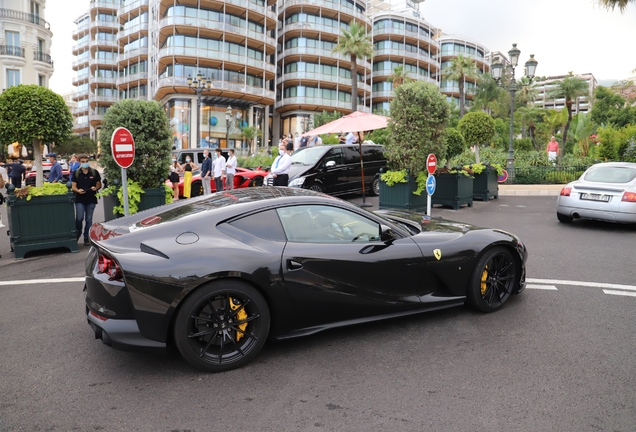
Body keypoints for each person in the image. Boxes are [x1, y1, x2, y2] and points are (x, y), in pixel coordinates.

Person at [72, 154, 101, 246]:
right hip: (80, 199)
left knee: (89, 220)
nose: (85, 163)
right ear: (79, 162)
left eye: (86, 161)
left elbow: (99, 184)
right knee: (79, 218)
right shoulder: (76, 173)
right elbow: (73, 186)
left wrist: (95, 188)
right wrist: (78, 190)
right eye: (83, 162)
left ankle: (86, 238)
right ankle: (78, 232)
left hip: (91, 198)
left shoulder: (94, 172)